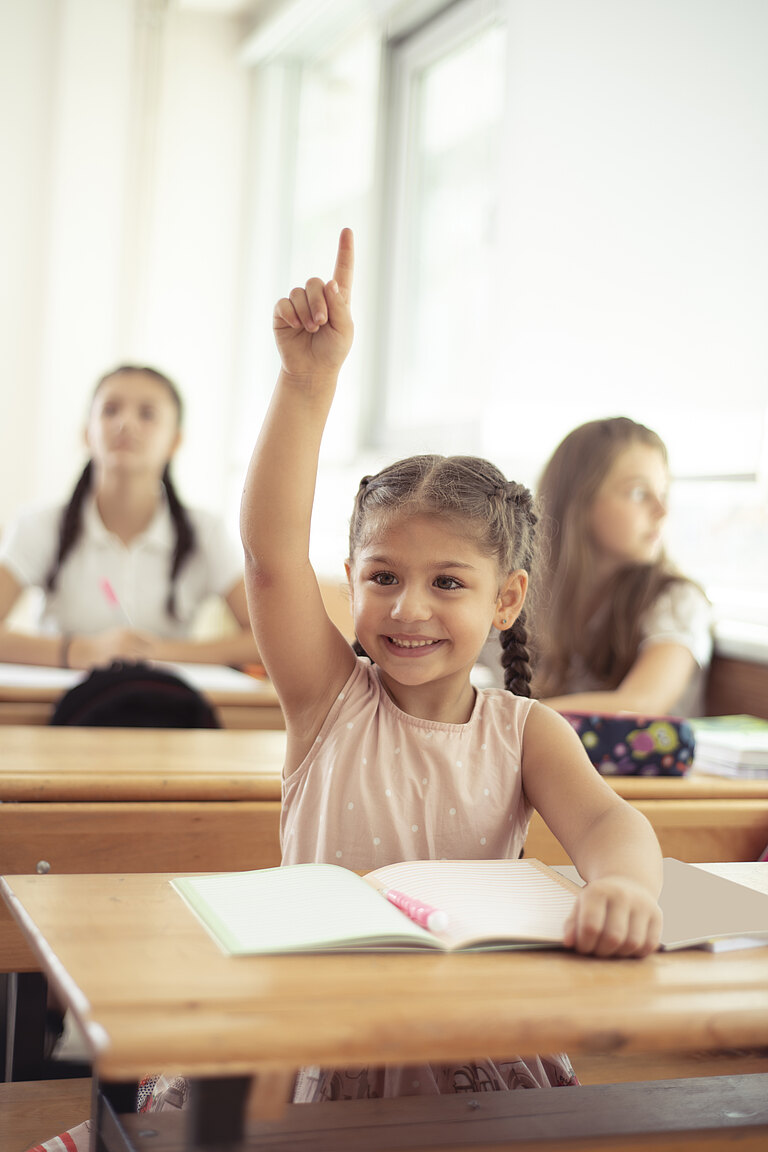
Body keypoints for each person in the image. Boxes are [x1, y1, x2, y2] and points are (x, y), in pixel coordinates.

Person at [238, 228, 663, 1101]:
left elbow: (612, 827)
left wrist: (623, 888)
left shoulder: (526, 733)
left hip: (468, 1047)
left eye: (447, 583)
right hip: (320, 1042)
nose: (408, 608)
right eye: (383, 577)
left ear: (504, 601)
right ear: (352, 580)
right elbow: (272, 554)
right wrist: (306, 383)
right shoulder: (327, 700)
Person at [0, 364, 259, 670]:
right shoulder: (40, 525)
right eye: (110, 410)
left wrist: (159, 653)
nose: (125, 423)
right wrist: (80, 652)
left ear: (175, 441)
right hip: (60, 710)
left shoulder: (205, 532)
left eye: (147, 414)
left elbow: (262, 642)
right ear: (87, 433)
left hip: (163, 706)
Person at [530, 417, 712, 717]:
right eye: (639, 493)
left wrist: (508, 717)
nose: (662, 511)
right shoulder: (531, 598)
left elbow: (642, 704)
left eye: (663, 493)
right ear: (580, 502)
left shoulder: (676, 600)